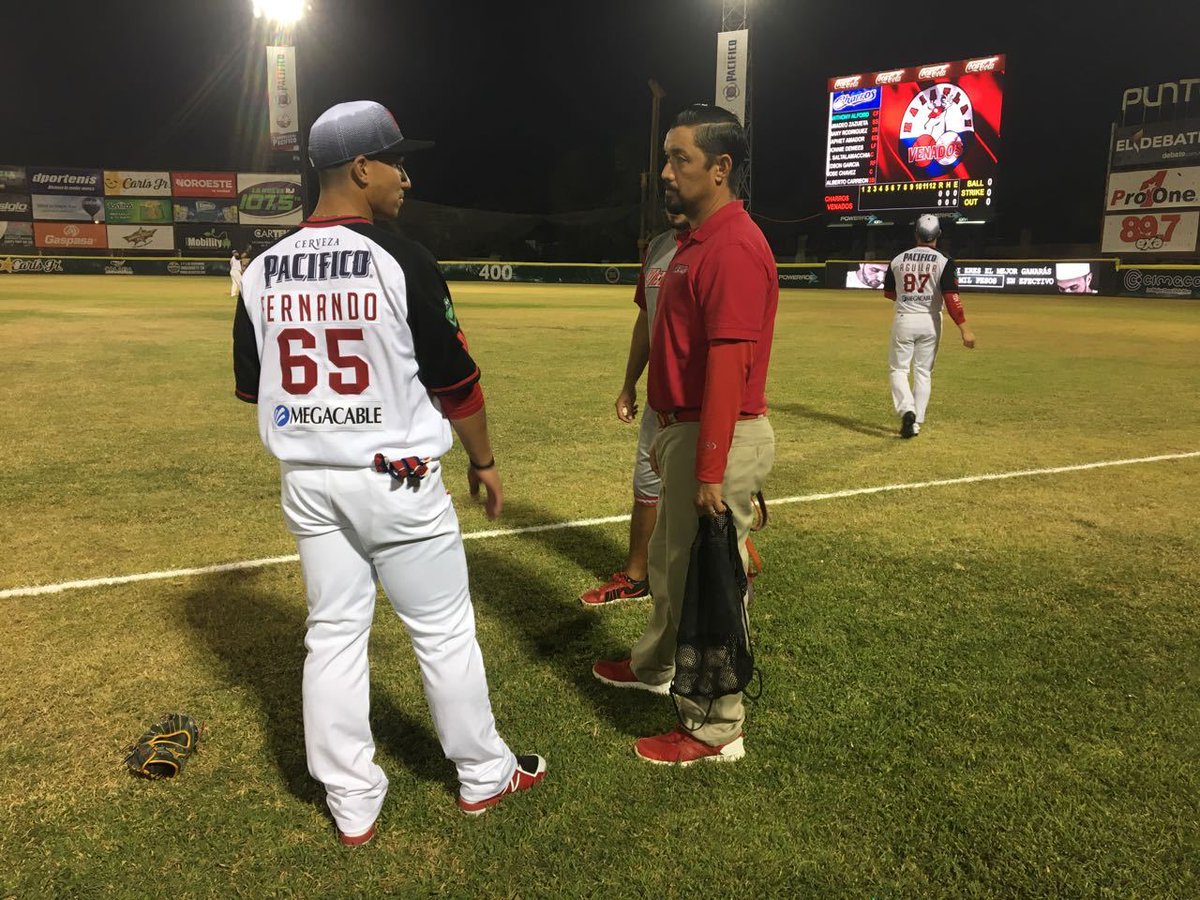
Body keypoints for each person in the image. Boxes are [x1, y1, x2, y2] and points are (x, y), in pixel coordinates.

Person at [232, 100, 544, 845]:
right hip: (397, 477)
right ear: (361, 168)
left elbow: (252, 386)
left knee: (333, 633)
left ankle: (351, 801)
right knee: (441, 633)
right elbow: (458, 384)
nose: (406, 176)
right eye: (397, 161)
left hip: (308, 482)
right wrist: (486, 463)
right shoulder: (402, 259)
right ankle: (482, 773)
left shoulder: (263, 269)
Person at [592, 104, 777, 765]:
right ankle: (655, 666)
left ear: (721, 169)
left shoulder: (731, 245)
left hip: (713, 437)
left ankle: (716, 729)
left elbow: (730, 365)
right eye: (667, 156)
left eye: (680, 159)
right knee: (674, 572)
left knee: (709, 588)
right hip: (684, 431)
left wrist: (709, 469)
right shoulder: (693, 241)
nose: (665, 171)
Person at [579, 209, 689, 607]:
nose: (671, 188)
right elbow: (646, 319)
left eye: (681, 168)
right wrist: (630, 383)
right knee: (646, 486)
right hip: (658, 401)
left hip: (695, 407)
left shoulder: (719, 247)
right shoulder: (659, 247)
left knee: (702, 494)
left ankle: (713, 574)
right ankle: (636, 576)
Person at [883, 213, 976, 438]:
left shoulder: (897, 259)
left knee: (899, 370)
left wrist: (909, 299)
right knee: (923, 372)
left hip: (904, 318)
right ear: (939, 235)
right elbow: (952, 298)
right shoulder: (945, 261)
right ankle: (916, 423)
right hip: (931, 321)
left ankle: (907, 410)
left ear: (916, 233)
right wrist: (965, 329)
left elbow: (888, 293)